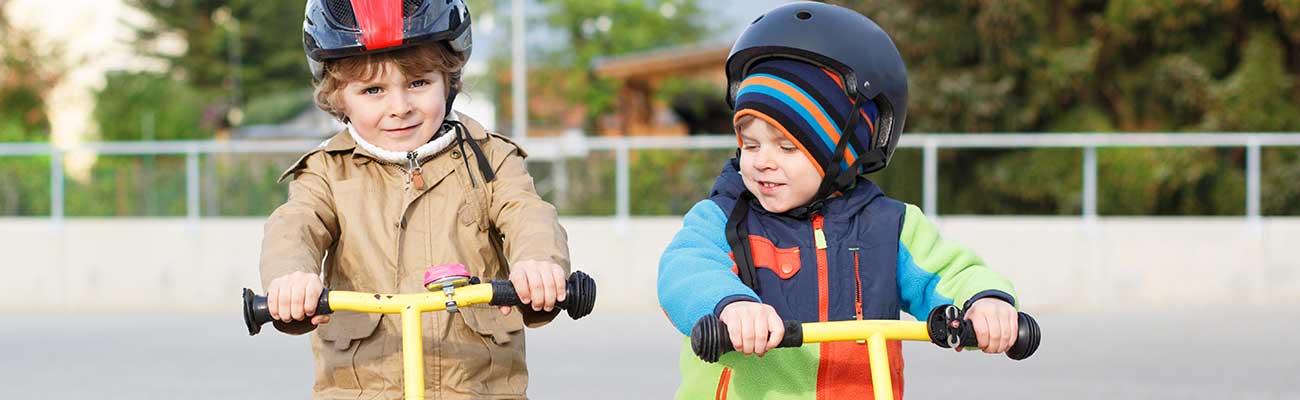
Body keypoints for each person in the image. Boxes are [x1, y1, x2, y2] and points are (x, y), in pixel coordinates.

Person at [657, 2, 1021, 398]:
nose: (762, 161)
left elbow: (947, 271)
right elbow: (686, 269)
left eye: (787, 147)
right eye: (750, 144)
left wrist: (985, 303)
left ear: (842, 155)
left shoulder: (890, 227)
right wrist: (730, 305)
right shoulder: (724, 218)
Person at [259, 0, 569, 398]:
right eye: (373, 90)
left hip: (476, 389)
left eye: (418, 83)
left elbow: (528, 214)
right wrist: (291, 278)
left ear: (449, 80)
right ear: (339, 98)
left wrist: (537, 264)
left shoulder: (490, 159)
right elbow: (295, 225)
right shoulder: (326, 172)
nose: (400, 107)